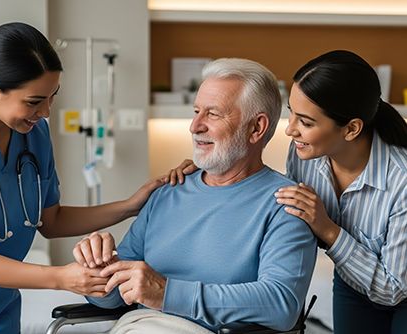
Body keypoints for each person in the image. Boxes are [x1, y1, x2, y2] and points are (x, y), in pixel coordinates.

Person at [0, 22, 162, 333]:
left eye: (52, 96)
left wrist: (131, 205)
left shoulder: (33, 133)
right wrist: (60, 277)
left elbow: (51, 221)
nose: (46, 112)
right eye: (34, 101)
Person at [74, 58, 317, 334]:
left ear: (256, 128)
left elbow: (280, 305)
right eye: (196, 111)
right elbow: (112, 297)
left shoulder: (286, 203)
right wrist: (100, 270)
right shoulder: (168, 191)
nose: (195, 126)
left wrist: (168, 294)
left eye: (213, 114)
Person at [172, 50, 407, 334]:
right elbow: (288, 214)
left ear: (351, 128)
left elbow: (393, 289)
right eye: (291, 114)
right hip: (353, 280)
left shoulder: (401, 180)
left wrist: (328, 230)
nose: (290, 130)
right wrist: (208, 171)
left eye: (306, 122)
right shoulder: (305, 155)